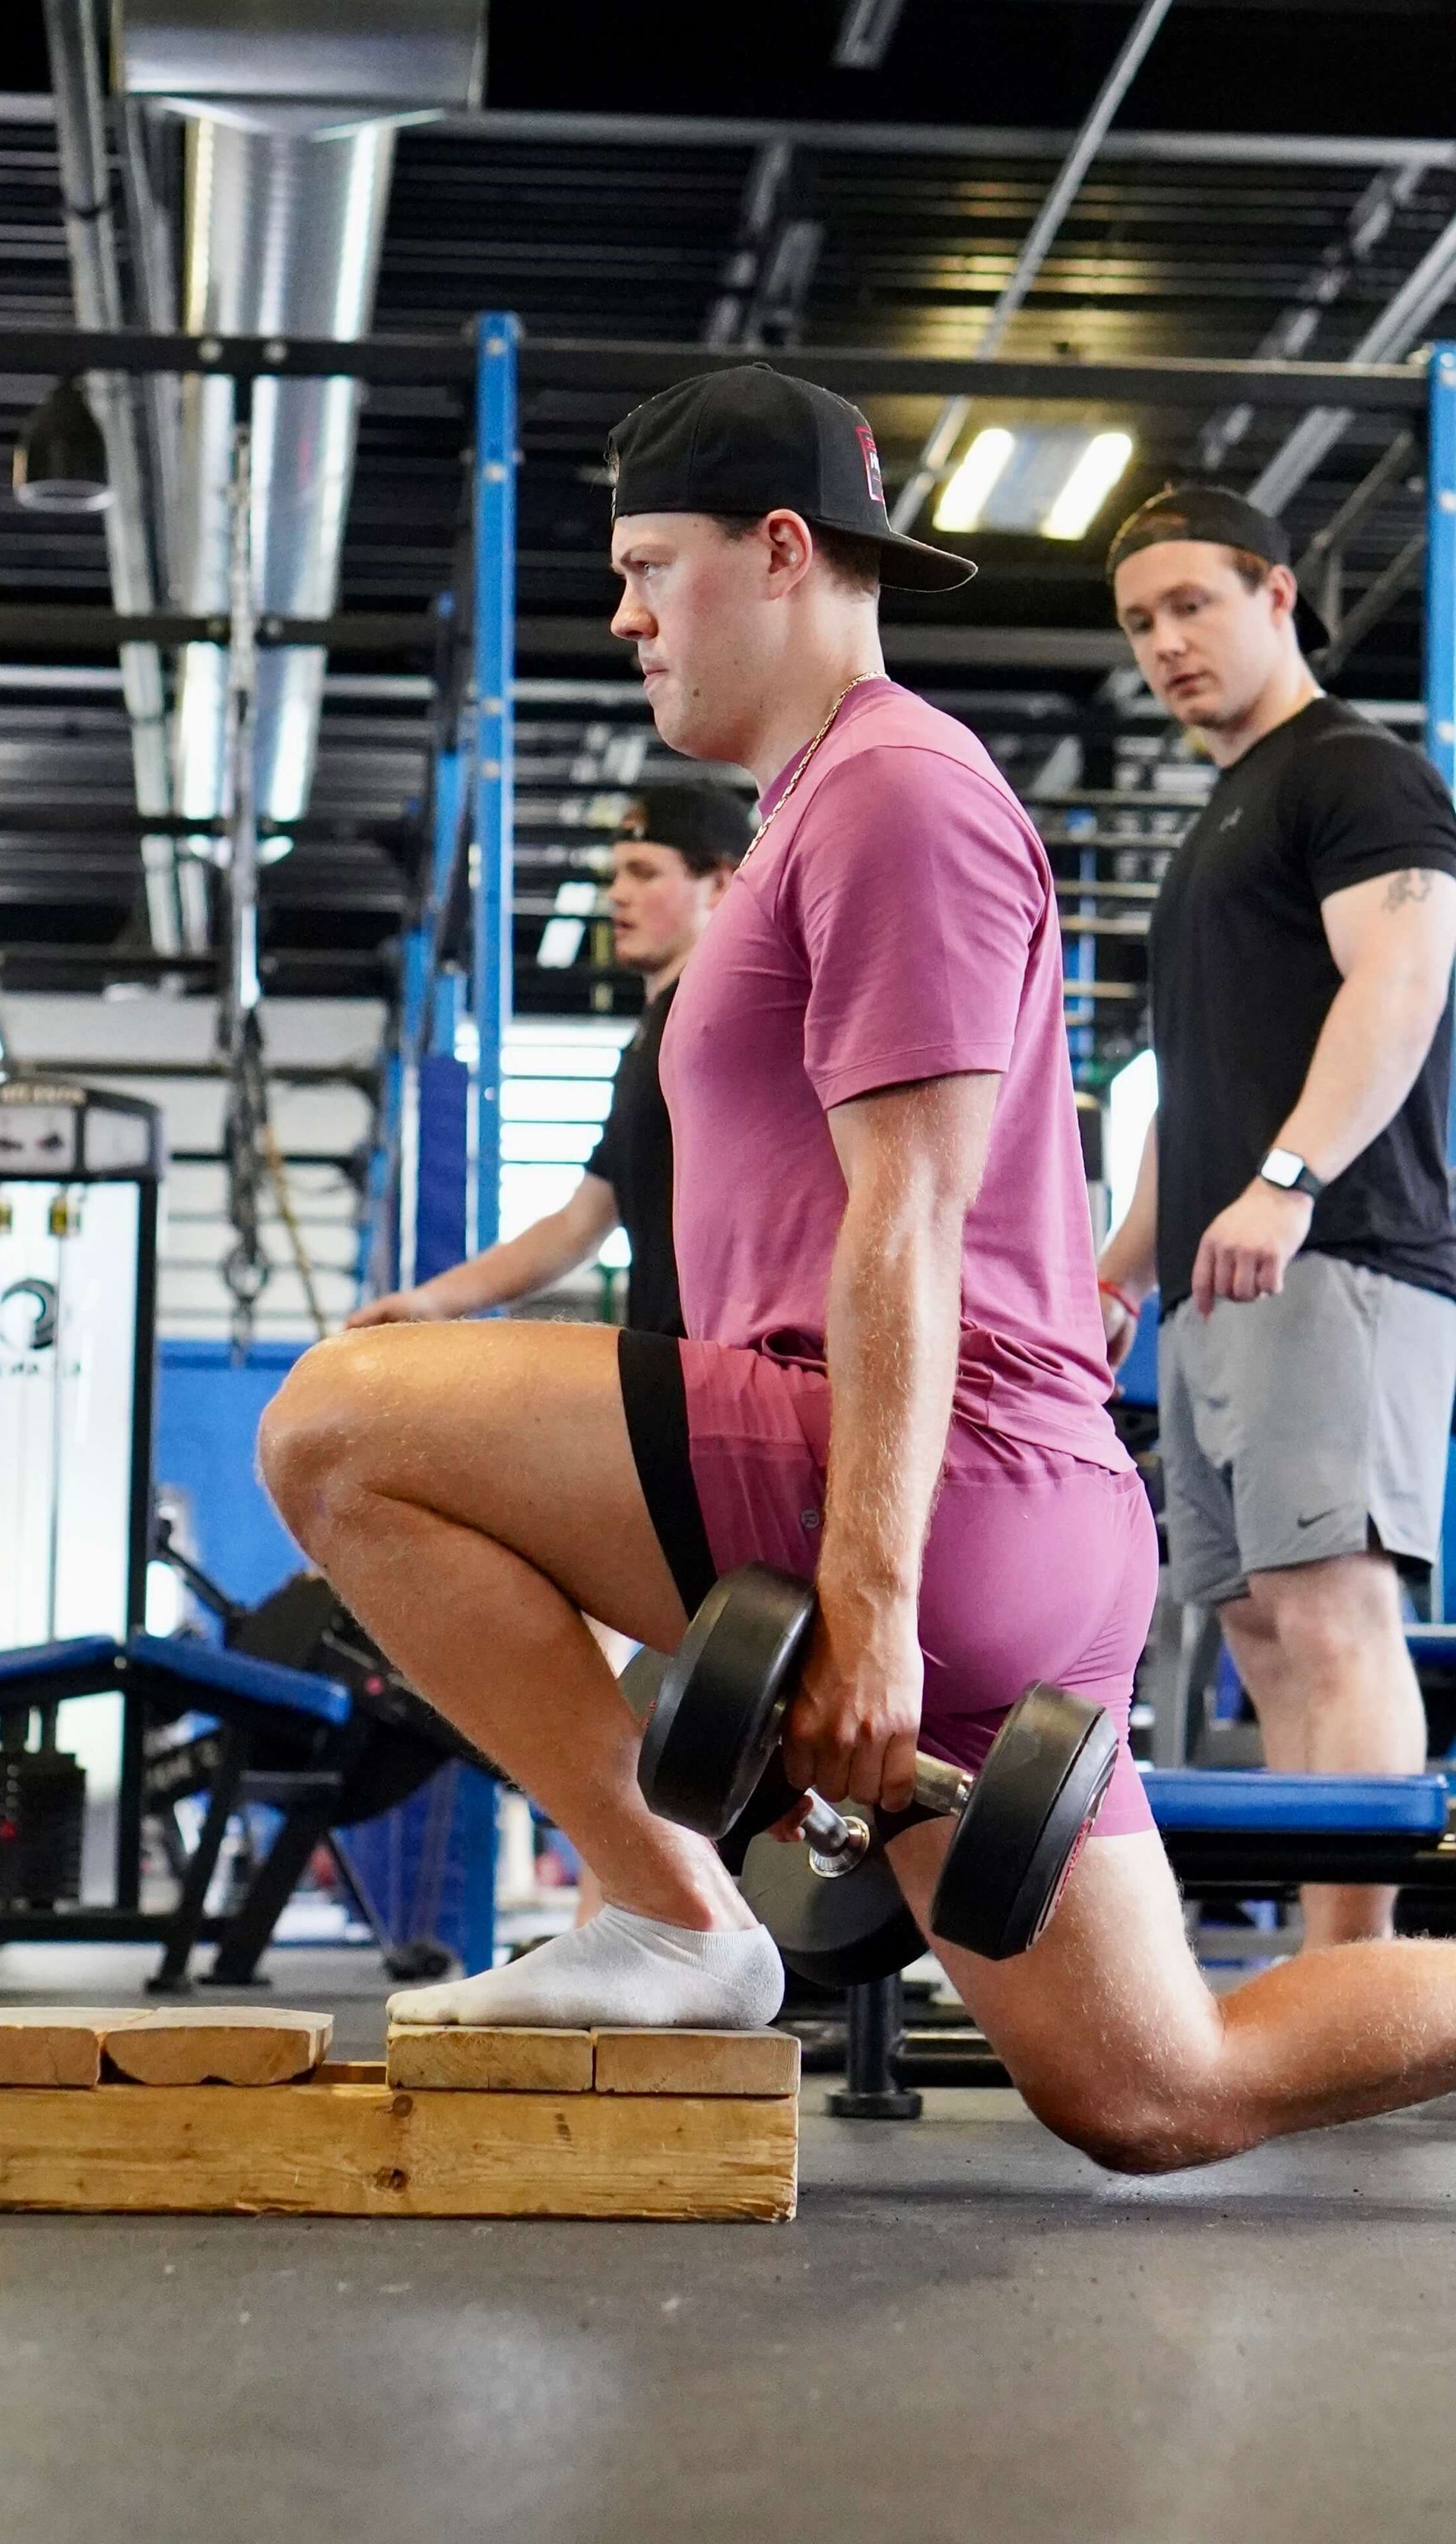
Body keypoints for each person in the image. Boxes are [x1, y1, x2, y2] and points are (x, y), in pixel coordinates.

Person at [262, 367, 1456, 2176]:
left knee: (339, 1428)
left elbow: (907, 1218)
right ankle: (682, 1909)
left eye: (651, 566)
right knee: (1154, 2086)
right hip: (974, 1494)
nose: (626, 614)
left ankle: (672, 1911)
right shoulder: (811, 810)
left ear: (783, 549)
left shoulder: (896, 793)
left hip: (934, 1468)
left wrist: (873, 1604)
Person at [1099, 482, 1456, 1950]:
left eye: (1193, 605)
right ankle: (1328, 1973)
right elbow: (1196, 1078)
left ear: (1276, 597)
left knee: (1328, 1616)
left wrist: (1290, 1182)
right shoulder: (1221, 825)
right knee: (1253, 1628)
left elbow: (1404, 977)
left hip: (1338, 1252)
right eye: (1139, 623)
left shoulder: (1353, 774)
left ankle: (1353, 1982)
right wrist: (1123, 1262)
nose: (1166, 643)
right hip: (1219, 1280)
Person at [346, 782, 753, 1338]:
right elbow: (579, 1223)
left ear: (720, 884)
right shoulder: (644, 1047)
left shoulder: (730, 1025)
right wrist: (432, 1301)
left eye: (644, 872)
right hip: (671, 1363)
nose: (617, 893)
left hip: (730, 1362)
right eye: (617, 874)